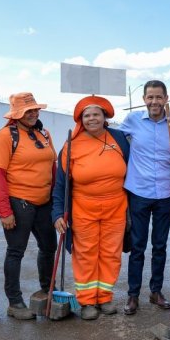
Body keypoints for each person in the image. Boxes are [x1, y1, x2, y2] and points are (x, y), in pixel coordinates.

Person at [52, 96, 129, 320]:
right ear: (80, 120)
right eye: (87, 115)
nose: (92, 118)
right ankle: (86, 301)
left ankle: (104, 297)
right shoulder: (71, 146)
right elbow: (60, 184)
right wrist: (57, 213)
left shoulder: (120, 139)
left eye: (96, 114)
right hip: (83, 208)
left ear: (105, 117)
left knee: (110, 253)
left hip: (116, 207)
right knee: (85, 254)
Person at [119, 80, 170, 315]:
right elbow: (116, 141)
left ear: (166, 99)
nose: (154, 102)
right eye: (150, 97)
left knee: (159, 246)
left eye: (159, 97)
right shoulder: (132, 121)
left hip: (165, 193)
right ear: (144, 99)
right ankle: (133, 295)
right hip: (139, 192)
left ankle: (156, 291)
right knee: (137, 246)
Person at [0, 92, 57, 320]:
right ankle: (15, 302)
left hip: (45, 201)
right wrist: (4, 211)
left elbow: (52, 166)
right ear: (17, 114)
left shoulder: (44, 133)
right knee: (16, 251)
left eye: (35, 110)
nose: (33, 114)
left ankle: (48, 289)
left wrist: (57, 201)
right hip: (19, 202)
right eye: (28, 111)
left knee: (49, 247)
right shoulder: (5, 136)